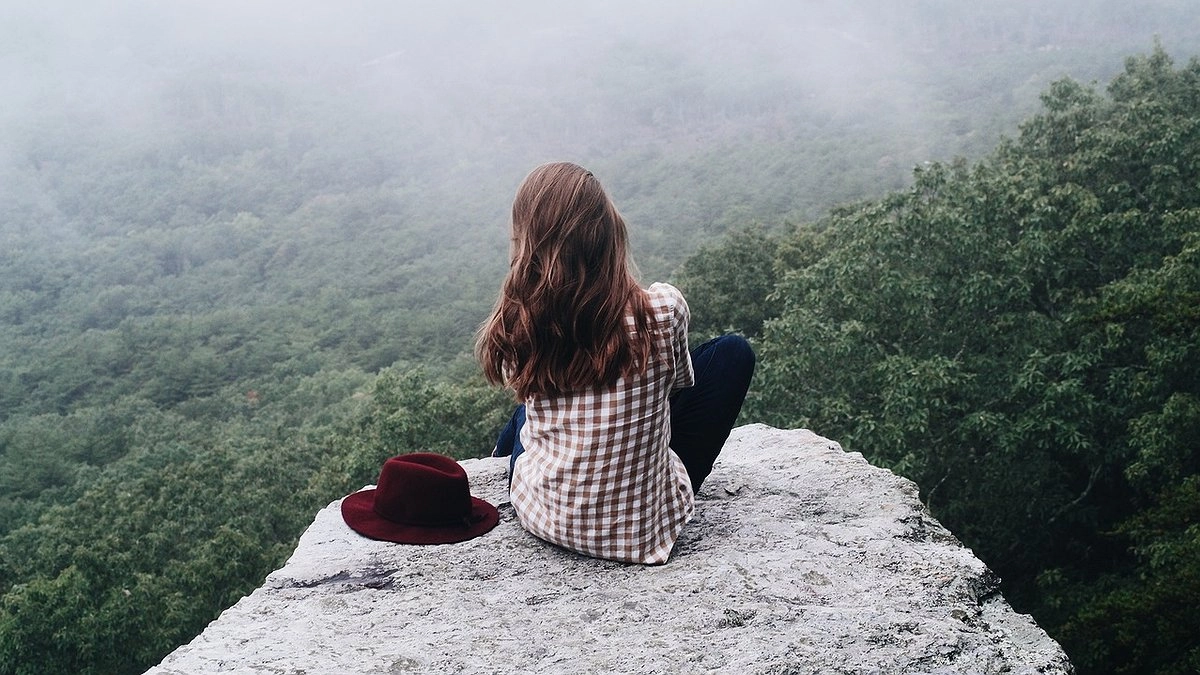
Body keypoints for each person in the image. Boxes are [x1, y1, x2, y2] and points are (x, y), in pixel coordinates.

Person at [477, 162, 754, 564]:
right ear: (609, 233)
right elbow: (677, 387)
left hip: (543, 516)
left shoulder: (522, 323)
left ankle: (498, 457)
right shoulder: (664, 309)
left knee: (525, 413)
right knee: (732, 353)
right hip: (642, 534)